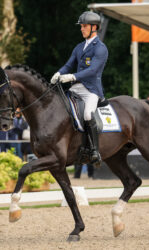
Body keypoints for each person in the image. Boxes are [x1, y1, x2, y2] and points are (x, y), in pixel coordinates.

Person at [50, 11, 108, 166]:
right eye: (81, 26)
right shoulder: (79, 47)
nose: (82, 29)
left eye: (84, 26)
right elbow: (69, 65)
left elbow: (93, 70)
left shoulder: (100, 48)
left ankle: (95, 150)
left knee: (88, 114)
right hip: (76, 88)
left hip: (91, 90)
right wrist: (59, 73)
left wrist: (72, 77)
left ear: (94, 27)